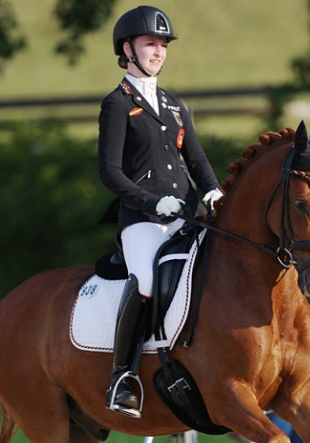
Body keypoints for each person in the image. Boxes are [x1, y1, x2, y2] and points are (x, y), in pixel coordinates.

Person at [98, 6, 223, 418]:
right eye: (151, 43)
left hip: (184, 215)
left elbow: (198, 160)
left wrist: (213, 192)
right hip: (142, 220)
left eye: (163, 45)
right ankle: (123, 376)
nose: (159, 51)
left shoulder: (173, 104)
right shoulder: (118, 104)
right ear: (128, 49)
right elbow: (110, 173)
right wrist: (152, 203)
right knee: (148, 280)